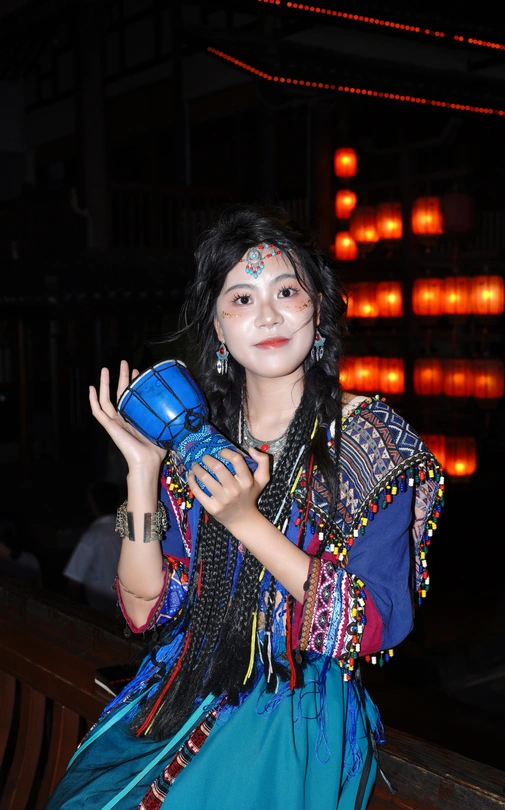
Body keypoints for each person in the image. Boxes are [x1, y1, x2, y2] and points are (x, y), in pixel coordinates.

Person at [45, 205, 444, 810]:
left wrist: (244, 522)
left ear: (318, 309)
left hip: (292, 714)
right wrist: (142, 473)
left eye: (287, 291)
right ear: (217, 326)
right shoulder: (199, 439)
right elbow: (146, 608)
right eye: (241, 299)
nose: (269, 315)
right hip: (183, 689)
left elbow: (372, 624)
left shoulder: (371, 441)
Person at [62, 481, 123, 615]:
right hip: (128, 613)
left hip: (100, 614)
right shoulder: (129, 533)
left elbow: (74, 582)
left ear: (92, 504)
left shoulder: (92, 537)